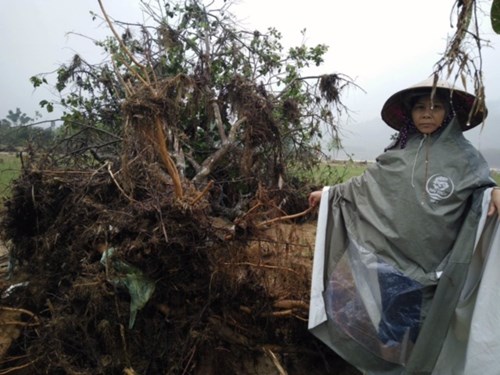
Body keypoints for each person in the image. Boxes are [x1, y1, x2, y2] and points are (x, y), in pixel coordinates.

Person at [307, 77, 500, 375]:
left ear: (448, 114)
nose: (426, 113)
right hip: (388, 261)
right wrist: (331, 193)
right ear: (410, 113)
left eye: (435, 107)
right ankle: (381, 368)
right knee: (390, 325)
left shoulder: (465, 158)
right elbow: (366, 185)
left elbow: (481, 192)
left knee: (424, 331)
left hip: (432, 269)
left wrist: (494, 192)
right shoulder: (398, 152)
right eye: (420, 107)